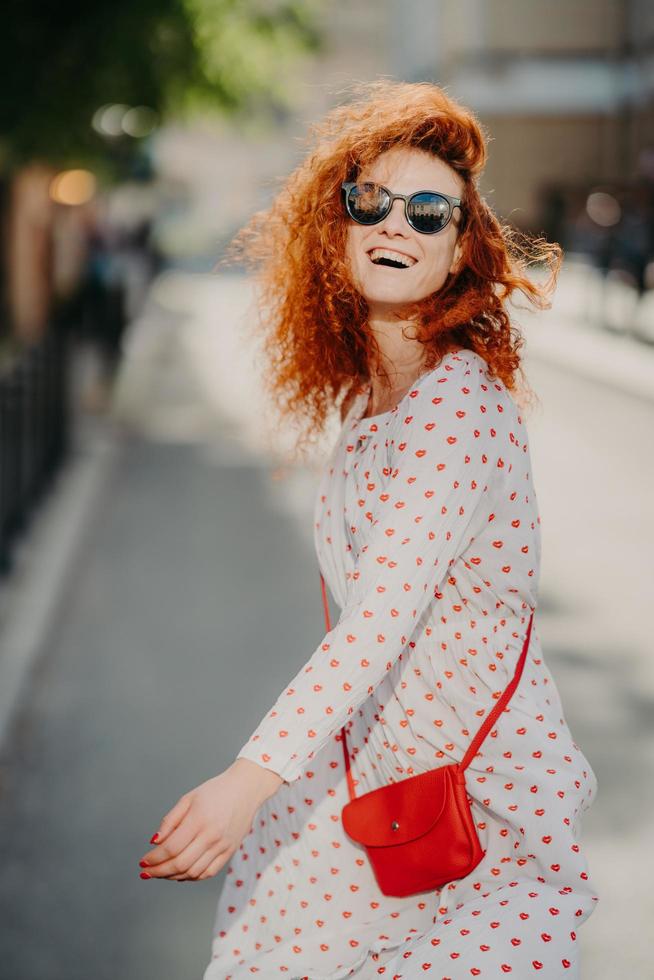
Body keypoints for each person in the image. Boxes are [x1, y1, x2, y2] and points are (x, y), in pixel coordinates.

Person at [138, 80, 599, 978]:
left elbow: (380, 620)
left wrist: (247, 781)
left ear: (463, 248)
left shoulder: (454, 406)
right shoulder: (373, 398)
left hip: (485, 808)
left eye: (430, 213)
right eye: (371, 201)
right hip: (378, 784)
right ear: (336, 223)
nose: (396, 224)